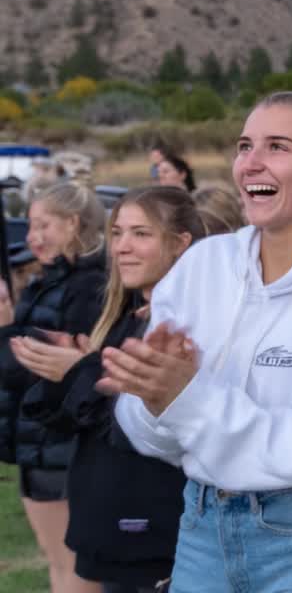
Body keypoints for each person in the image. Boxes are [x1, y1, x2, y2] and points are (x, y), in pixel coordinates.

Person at [105, 91, 292, 592]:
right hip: (202, 527)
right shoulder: (202, 266)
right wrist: (154, 399)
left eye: (278, 147)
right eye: (245, 146)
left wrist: (186, 398)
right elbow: (150, 434)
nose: (251, 163)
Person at [16, 187, 206, 593]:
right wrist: (60, 373)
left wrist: (82, 370)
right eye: (117, 233)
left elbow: (152, 428)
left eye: (141, 233)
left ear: (180, 243)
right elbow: (81, 417)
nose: (122, 247)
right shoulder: (122, 315)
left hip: (156, 532)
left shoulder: (189, 327)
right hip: (111, 529)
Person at [0, 181, 108, 593]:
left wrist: (5, 329)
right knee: (59, 565)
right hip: (39, 448)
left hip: (59, 450)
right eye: (29, 226)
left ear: (73, 225)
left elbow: (36, 371)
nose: (31, 237)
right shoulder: (47, 282)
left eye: (42, 225)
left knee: (73, 569)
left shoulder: (84, 289)